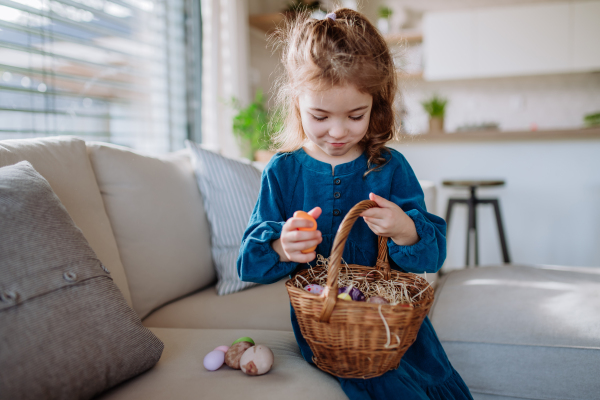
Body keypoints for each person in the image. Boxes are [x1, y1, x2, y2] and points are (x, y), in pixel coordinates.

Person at [236, 8, 473, 400]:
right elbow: (248, 264)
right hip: (333, 331)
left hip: (395, 324)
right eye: (320, 115)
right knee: (385, 383)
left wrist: (405, 229)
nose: (338, 131)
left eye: (355, 115)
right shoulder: (283, 172)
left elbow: (435, 253)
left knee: (430, 379)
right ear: (297, 101)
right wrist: (282, 245)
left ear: (375, 105)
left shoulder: (389, 167)